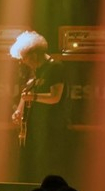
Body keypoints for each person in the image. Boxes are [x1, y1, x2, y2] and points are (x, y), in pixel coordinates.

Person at [9, 30, 67, 180]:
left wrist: (33, 97)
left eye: (24, 58)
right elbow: (26, 93)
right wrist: (19, 110)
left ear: (34, 55)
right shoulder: (37, 72)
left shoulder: (55, 67)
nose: (23, 62)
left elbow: (55, 97)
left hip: (50, 130)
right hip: (36, 131)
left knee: (46, 170)